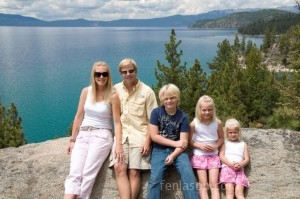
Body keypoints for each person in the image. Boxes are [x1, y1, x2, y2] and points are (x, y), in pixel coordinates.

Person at [64, 61, 121, 199]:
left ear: (108, 76)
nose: (101, 77)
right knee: (75, 173)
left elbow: (117, 123)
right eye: (98, 74)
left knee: (88, 174)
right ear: (93, 75)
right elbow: (78, 116)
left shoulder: (113, 96)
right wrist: (72, 139)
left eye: (104, 74)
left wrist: (118, 143)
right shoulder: (86, 91)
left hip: (102, 136)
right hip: (83, 134)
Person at [109, 58, 157, 199]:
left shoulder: (147, 91)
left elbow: (152, 120)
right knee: (119, 167)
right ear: (120, 73)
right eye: (124, 72)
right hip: (122, 135)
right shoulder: (115, 89)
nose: (128, 74)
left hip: (140, 136)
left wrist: (148, 141)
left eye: (131, 71)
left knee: (134, 171)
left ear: (136, 71)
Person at [147, 84, 199, 199]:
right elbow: (154, 136)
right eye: (166, 98)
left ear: (177, 99)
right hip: (159, 150)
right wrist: (175, 143)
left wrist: (173, 155)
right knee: (155, 179)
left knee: (189, 177)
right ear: (162, 100)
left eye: (172, 98)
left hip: (179, 152)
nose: (169, 101)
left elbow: (184, 143)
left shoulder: (183, 117)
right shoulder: (156, 113)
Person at [189, 95, 224, 199]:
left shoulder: (217, 122)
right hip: (200, 156)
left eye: (210, 110)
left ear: (213, 109)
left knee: (214, 184)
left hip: (213, 156)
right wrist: (200, 145)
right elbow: (189, 141)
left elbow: (221, 138)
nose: (207, 112)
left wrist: (215, 146)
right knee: (203, 184)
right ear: (199, 110)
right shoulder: (194, 123)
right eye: (204, 110)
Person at [219, 118, 250, 199]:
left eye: (235, 132)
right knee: (230, 192)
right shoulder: (225, 143)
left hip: (240, 171)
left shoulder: (243, 144)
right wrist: (230, 164)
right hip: (227, 169)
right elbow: (221, 156)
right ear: (227, 133)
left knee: (239, 193)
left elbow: (246, 159)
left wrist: (241, 164)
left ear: (239, 132)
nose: (233, 134)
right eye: (230, 133)